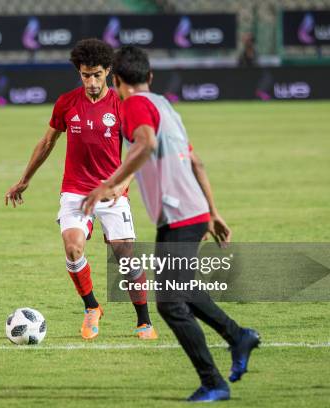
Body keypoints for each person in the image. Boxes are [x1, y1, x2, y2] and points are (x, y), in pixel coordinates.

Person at [82, 45, 260, 402]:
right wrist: (212, 211)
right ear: (150, 77)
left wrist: (111, 183)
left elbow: (145, 144)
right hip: (188, 213)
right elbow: (197, 163)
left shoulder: (132, 105)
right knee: (182, 292)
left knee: (170, 303)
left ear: (115, 81)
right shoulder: (165, 105)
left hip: (179, 214)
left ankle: (213, 382)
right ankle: (238, 336)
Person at [5, 39, 156, 341]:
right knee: (73, 247)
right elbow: (47, 142)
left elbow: (140, 149)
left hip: (112, 191)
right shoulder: (67, 102)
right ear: (79, 73)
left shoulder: (122, 105)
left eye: (97, 74)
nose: (91, 81)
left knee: (125, 259)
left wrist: (121, 185)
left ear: (108, 72)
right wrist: (25, 179)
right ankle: (92, 307)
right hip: (75, 191)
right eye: (86, 75)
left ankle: (143, 321)